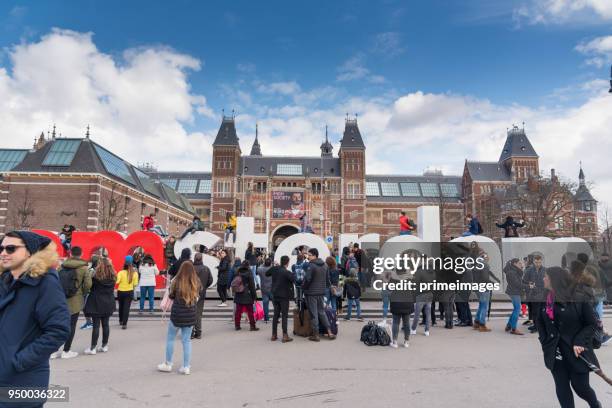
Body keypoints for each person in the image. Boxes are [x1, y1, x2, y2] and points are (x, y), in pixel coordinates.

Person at [0, 231, 70, 394]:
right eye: (1, 248)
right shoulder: (5, 281)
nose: (3, 253)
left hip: (23, 382)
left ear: (30, 252)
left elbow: (58, 331)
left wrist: (18, 362)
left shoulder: (45, 283)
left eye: (11, 248)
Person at [535, 267, 603, 408]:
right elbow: (539, 321)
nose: (543, 278)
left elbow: (591, 324)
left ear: (555, 279)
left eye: (546, 276)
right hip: (555, 352)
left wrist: (579, 341)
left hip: (577, 352)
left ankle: (595, 404)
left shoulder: (579, 298)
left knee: (581, 388)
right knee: (562, 387)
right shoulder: (545, 298)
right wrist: (545, 341)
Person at [157, 261, 201, 375]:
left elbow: (171, 296)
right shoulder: (196, 281)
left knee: (170, 338)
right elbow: (198, 296)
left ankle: (168, 364)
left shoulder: (176, 281)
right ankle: (186, 367)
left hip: (177, 314)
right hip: (190, 314)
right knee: (186, 341)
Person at [54, 246, 92, 359]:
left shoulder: (61, 267)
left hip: (60, 300)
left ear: (70, 253)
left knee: (57, 326)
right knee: (71, 326)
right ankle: (66, 351)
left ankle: (53, 351)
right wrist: (82, 293)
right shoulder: (84, 268)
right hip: (75, 301)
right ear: (81, 254)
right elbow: (88, 285)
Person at [83, 257, 116, 355]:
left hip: (96, 302)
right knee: (106, 324)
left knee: (96, 326)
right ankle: (104, 346)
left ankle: (93, 348)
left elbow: (89, 286)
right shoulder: (113, 276)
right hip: (108, 302)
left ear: (99, 265)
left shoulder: (95, 276)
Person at [302, 248, 336, 341]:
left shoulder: (311, 265)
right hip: (321, 292)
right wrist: (330, 288)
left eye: (309, 255)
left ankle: (316, 335)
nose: (308, 256)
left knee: (314, 314)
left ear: (314, 255)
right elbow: (327, 279)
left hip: (311, 293)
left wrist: (303, 287)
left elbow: (307, 279)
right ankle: (329, 332)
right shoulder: (325, 265)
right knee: (322, 312)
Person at [266, 255, 295, 342]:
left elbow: (267, 273)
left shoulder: (275, 269)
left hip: (275, 295)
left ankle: (274, 335)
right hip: (284, 296)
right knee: (284, 316)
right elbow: (294, 279)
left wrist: (275, 266)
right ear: (287, 262)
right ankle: (285, 335)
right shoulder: (286, 272)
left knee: (276, 315)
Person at [389, 264, 414, 348]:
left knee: (395, 322)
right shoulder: (410, 278)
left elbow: (389, 288)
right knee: (406, 323)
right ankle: (406, 341)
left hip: (396, 302)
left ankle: (395, 342)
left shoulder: (393, 278)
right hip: (407, 302)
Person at [233, 261, 259, 331]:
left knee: (238, 311)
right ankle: (252, 326)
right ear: (248, 265)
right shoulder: (249, 272)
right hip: (247, 294)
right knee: (250, 311)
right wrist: (254, 297)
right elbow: (252, 286)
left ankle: (237, 326)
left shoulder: (237, 272)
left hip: (238, 293)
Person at [523, 254, 546, 333]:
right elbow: (524, 281)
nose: (538, 264)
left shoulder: (545, 270)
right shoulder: (529, 270)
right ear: (533, 262)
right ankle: (536, 325)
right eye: (536, 262)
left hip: (542, 293)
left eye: (539, 262)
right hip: (532, 294)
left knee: (540, 311)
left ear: (541, 261)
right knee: (534, 311)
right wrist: (529, 285)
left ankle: (538, 327)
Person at [411, 261, 435, 336]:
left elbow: (415, 284)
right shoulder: (433, 273)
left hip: (421, 295)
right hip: (429, 294)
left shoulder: (420, 272)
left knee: (417, 314)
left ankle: (413, 329)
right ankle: (427, 330)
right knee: (428, 314)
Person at [192, 252, 213, 339]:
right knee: (198, 313)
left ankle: (190, 332)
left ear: (194, 258)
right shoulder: (206, 268)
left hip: (191, 292)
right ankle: (198, 332)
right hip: (201, 293)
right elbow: (210, 280)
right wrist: (204, 287)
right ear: (202, 259)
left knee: (190, 312)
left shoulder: (191, 269)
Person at [116, 256, 139, 329]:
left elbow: (117, 281)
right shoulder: (134, 273)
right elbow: (135, 284)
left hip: (121, 291)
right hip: (129, 292)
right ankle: (124, 324)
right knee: (126, 308)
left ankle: (120, 320)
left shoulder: (120, 272)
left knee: (121, 306)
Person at [503, 258, 524, 335]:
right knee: (517, 309)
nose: (521, 264)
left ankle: (509, 325)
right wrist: (527, 286)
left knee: (516, 308)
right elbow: (517, 284)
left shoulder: (514, 271)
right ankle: (514, 328)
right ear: (514, 264)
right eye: (519, 263)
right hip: (514, 292)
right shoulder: (512, 272)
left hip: (514, 291)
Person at [257, 257, 273, 323]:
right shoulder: (272, 269)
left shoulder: (261, 269)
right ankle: (276, 317)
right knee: (275, 303)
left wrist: (263, 264)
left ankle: (266, 318)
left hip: (264, 288)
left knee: (265, 303)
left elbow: (258, 268)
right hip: (272, 288)